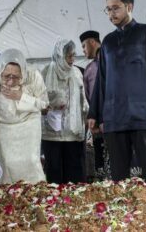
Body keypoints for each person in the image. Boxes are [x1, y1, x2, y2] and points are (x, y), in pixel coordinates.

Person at [88, 0, 146, 186]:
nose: (111, 13)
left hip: (142, 114)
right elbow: (102, 81)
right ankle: (122, 214)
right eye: (108, 9)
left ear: (129, 6)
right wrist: (94, 114)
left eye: (115, 8)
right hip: (114, 116)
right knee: (118, 173)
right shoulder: (107, 42)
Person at [0, 49, 47, 184]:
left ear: (23, 73)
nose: (11, 82)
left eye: (16, 77)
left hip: (29, 122)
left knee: (31, 161)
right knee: (7, 165)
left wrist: (21, 97)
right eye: (6, 76)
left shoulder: (33, 74)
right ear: (0, 71)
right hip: (2, 125)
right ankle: (10, 201)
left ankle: (38, 199)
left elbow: (44, 104)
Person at [41, 39, 88, 184]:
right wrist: (51, 105)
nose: (72, 59)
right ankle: (54, 203)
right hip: (51, 133)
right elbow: (38, 98)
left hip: (72, 133)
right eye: (69, 56)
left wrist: (85, 116)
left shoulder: (77, 73)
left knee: (74, 171)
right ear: (60, 56)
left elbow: (83, 100)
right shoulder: (46, 72)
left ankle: (73, 203)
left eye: (74, 55)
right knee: (54, 171)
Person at [79, 30, 106, 180]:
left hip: (116, 123)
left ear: (92, 42)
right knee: (100, 162)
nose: (83, 50)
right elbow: (88, 97)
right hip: (97, 124)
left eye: (84, 46)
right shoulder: (88, 70)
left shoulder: (113, 60)